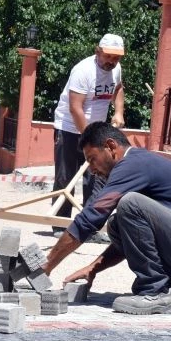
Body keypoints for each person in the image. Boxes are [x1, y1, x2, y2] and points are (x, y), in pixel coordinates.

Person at [44, 123, 171, 315]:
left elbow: (91, 217)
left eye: (92, 159)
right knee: (118, 224)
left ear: (111, 147)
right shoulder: (138, 162)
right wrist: (93, 268)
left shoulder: (132, 165)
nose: (92, 170)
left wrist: (47, 265)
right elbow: (136, 237)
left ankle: (155, 292)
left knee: (130, 204)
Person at [51, 33, 125, 242]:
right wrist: (90, 139)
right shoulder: (83, 71)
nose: (112, 61)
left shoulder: (116, 70)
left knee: (96, 177)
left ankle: (89, 226)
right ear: (98, 51)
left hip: (96, 131)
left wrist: (118, 112)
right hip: (70, 129)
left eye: (116, 57)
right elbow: (75, 108)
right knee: (66, 176)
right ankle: (60, 223)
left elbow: (118, 89)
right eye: (108, 56)